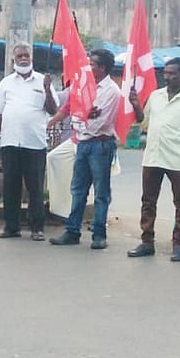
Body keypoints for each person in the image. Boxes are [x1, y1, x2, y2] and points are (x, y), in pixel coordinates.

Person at [125, 57, 180, 261]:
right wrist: (136, 105)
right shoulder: (155, 96)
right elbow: (144, 124)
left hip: (177, 158)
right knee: (148, 201)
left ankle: (179, 244)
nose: (168, 77)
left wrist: (179, 139)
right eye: (166, 73)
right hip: (152, 156)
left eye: (173, 74)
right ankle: (147, 242)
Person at [48, 48, 122, 250]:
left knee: (101, 192)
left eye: (93, 64)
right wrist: (85, 115)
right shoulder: (84, 85)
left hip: (100, 144)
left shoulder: (112, 91)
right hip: (82, 143)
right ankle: (72, 231)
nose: (89, 67)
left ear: (103, 68)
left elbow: (99, 122)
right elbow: (75, 110)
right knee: (78, 189)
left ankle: (99, 234)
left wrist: (84, 116)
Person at [0, 42, 58, 241]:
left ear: (32, 58)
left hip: (34, 143)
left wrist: (46, 89)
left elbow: (53, 110)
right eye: (19, 56)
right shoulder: (6, 83)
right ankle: (11, 227)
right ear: (14, 60)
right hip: (10, 142)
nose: (23, 58)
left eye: (26, 55)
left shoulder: (43, 81)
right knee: (10, 186)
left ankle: (37, 228)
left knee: (35, 187)